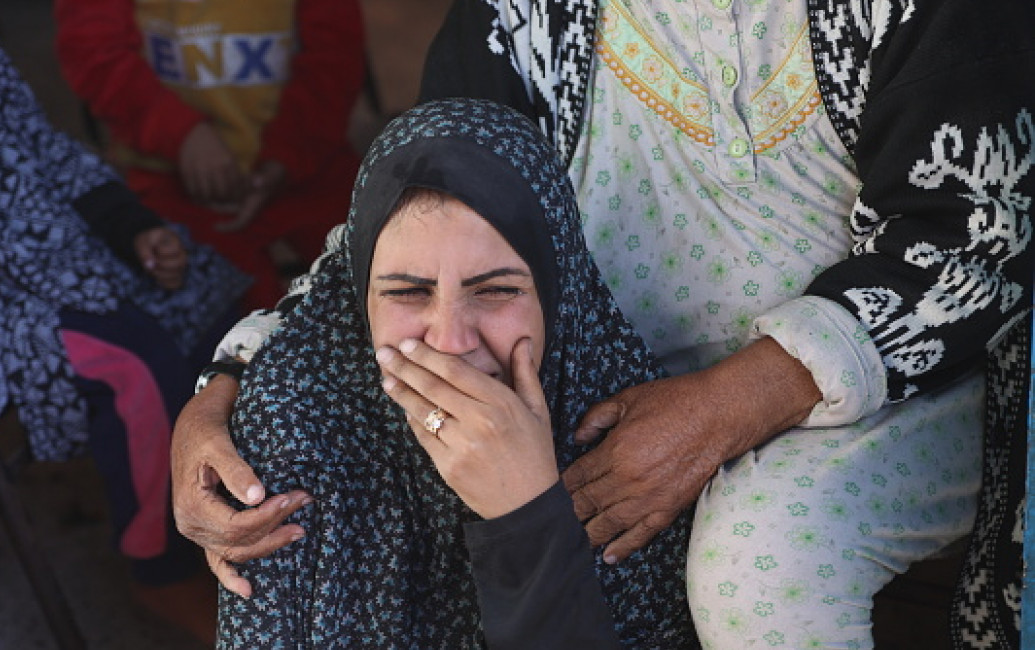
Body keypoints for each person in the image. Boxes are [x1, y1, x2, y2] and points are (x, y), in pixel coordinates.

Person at [174, 1, 1034, 648]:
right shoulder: (516, 15)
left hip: (881, 397)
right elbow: (416, 212)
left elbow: (979, 235)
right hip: (592, 388)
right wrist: (228, 381)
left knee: (765, 565)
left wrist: (725, 404)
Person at [218, 97, 696, 649]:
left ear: (557, 292)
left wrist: (528, 516)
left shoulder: (633, 447)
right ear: (359, 300)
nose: (450, 342)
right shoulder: (293, 423)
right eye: (406, 292)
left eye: (496, 290)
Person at [0, 0, 250, 641]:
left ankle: (220, 512)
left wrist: (131, 228)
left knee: (220, 315)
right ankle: (160, 571)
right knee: (135, 366)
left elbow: (47, 151)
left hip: (38, 257)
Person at [53, 0, 365, 309]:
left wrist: (286, 156)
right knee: (227, 324)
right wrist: (183, 136)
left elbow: (335, 57)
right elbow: (93, 53)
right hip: (170, 178)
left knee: (377, 274)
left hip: (311, 161)